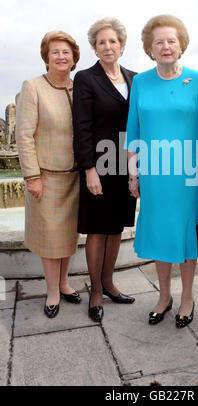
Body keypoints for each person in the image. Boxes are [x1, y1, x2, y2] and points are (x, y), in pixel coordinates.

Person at [126, 14, 198, 328]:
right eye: (159, 42)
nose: (166, 46)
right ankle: (164, 297)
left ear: (181, 45)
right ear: (151, 49)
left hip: (189, 172)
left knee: (187, 232)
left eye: (171, 40)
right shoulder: (140, 82)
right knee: (161, 231)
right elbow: (132, 128)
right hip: (153, 171)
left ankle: (188, 297)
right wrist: (132, 173)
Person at [72, 18, 137, 323]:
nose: (107, 47)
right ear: (94, 47)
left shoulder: (135, 79)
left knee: (115, 228)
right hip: (99, 164)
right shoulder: (86, 79)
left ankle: (110, 283)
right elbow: (81, 127)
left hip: (126, 165)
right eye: (101, 42)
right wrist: (89, 169)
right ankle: (96, 291)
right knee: (97, 230)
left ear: (121, 45)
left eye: (112, 41)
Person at [16, 31, 81, 318]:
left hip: (75, 176)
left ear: (74, 57)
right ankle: (52, 291)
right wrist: (32, 176)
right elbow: (24, 135)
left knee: (68, 237)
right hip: (46, 177)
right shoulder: (32, 87)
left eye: (66, 52)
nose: (61, 56)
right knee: (50, 238)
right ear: (46, 57)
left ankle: (65, 283)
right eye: (55, 52)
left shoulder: (79, 88)